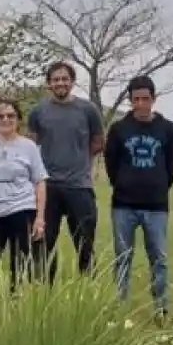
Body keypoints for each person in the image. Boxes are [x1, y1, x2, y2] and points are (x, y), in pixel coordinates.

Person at [104, 75, 173, 316]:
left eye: (145, 99)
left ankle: (161, 307)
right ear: (130, 100)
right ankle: (119, 305)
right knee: (122, 257)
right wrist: (124, 184)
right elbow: (111, 164)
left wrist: (158, 186)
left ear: (154, 99)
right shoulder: (119, 129)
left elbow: (172, 166)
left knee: (159, 257)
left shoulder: (167, 129)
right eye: (136, 99)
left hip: (156, 206)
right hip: (123, 205)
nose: (141, 104)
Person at [27, 61, 104, 282]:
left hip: (79, 187)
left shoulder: (88, 110)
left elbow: (98, 142)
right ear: (49, 83)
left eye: (64, 78)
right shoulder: (38, 111)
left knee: (85, 244)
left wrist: (78, 159)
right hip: (47, 187)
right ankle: (44, 291)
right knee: (43, 244)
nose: (60, 83)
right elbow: (31, 146)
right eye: (55, 79)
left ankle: (88, 289)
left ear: (71, 81)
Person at [0, 99, 47, 289]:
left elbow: (40, 181)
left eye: (11, 115)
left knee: (22, 265)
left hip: (22, 209)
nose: (6, 119)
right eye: (1, 116)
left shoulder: (29, 147)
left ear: (19, 120)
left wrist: (39, 218)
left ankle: (17, 303)